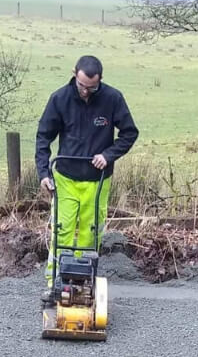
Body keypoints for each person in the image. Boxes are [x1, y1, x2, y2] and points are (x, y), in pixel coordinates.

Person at [35, 55, 138, 297]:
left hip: (97, 180)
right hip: (66, 177)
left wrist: (109, 155)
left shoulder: (112, 99)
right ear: (75, 74)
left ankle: (82, 282)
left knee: (91, 232)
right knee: (62, 229)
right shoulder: (59, 99)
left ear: (100, 80)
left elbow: (129, 133)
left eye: (92, 87)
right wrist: (43, 172)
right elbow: (43, 137)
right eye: (82, 86)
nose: (86, 92)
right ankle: (55, 284)